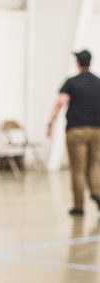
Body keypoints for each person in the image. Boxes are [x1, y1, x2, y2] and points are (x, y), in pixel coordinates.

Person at [48, 49, 100, 215]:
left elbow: (61, 102)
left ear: (78, 63)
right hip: (97, 130)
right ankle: (97, 192)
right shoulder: (98, 82)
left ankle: (78, 206)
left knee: (78, 169)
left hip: (76, 130)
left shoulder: (71, 82)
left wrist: (50, 123)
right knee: (94, 165)